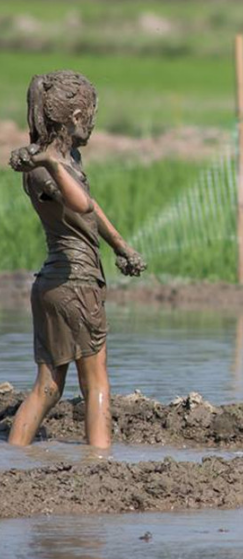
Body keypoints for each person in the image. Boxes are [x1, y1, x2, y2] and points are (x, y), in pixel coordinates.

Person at [7, 70, 146, 449]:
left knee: (48, 386)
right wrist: (52, 162)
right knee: (96, 381)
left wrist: (121, 246)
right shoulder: (46, 166)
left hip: (51, 286)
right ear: (77, 117)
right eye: (92, 116)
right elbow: (80, 202)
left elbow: (89, 207)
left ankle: (15, 457)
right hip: (77, 285)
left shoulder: (65, 160)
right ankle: (100, 462)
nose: (94, 125)